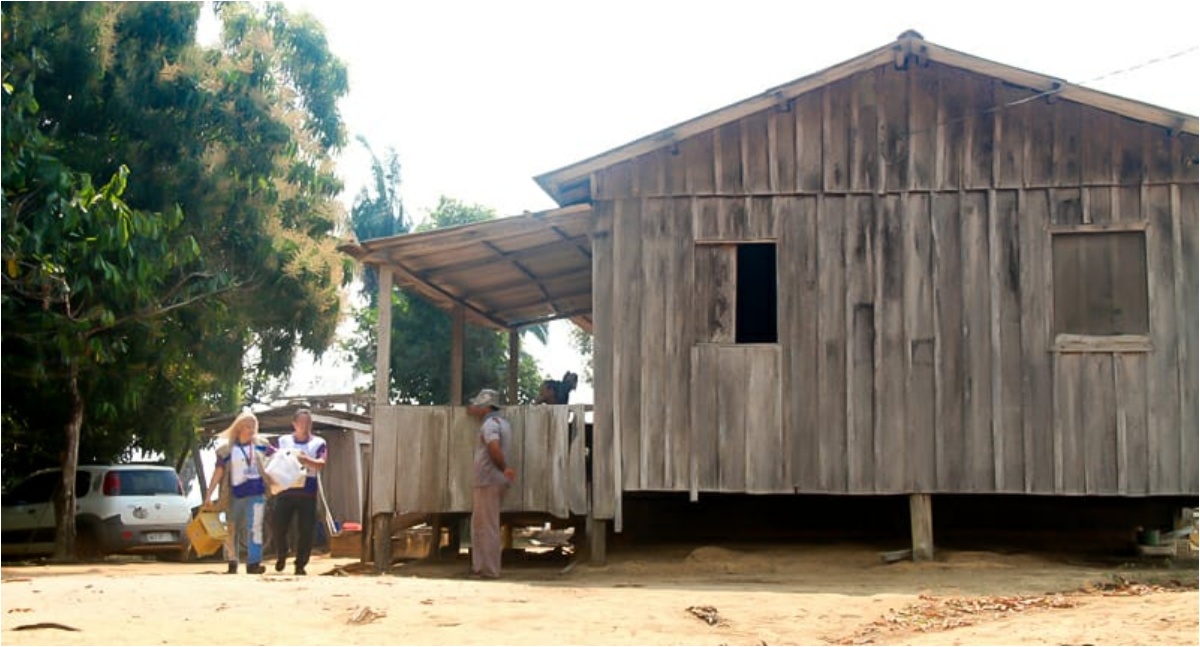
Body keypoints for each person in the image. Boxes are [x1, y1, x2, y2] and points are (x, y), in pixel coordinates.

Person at [204, 411, 274, 574]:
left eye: (253, 426)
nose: (251, 429)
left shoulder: (261, 445)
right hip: (234, 495)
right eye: (247, 426)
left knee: (255, 527)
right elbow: (218, 472)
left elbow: (278, 458)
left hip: (257, 493)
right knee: (232, 528)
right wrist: (209, 494)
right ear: (238, 428)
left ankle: (254, 563)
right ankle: (232, 561)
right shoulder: (226, 450)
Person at [467, 389, 516, 579]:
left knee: (485, 526)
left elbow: (493, 447)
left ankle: (488, 570)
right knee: (483, 524)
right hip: (492, 480)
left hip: (488, 479)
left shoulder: (490, 424)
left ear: (487, 407)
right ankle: (482, 567)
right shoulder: (502, 423)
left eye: (480, 406)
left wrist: (504, 467)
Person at [272, 408, 327, 575]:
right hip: (286, 488)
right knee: (278, 526)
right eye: (301, 422)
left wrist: (305, 460)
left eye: (308, 422)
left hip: (307, 490)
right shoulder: (283, 441)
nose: (305, 426)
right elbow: (271, 456)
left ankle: (300, 564)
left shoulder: (318, 443)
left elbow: (321, 463)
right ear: (294, 424)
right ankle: (282, 552)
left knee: (306, 530)